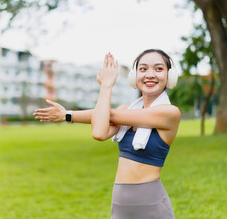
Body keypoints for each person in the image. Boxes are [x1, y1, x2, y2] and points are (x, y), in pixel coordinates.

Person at [33, 49, 181, 219]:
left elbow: (108, 116)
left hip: (152, 206)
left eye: (158, 69)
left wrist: (106, 86)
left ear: (170, 76)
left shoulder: (170, 113)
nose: (150, 74)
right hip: (120, 206)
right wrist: (66, 114)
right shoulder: (127, 109)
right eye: (143, 69)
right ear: (134, 76)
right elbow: (101, 131)